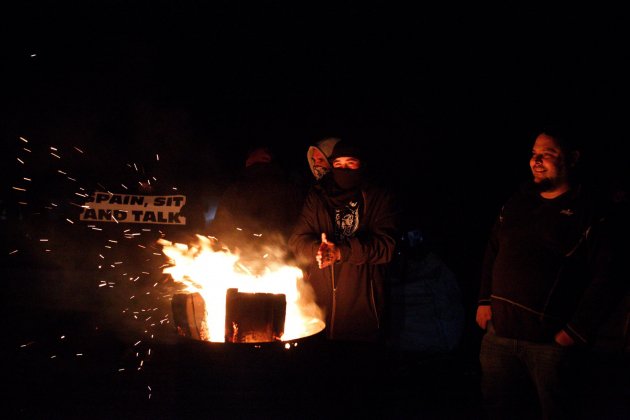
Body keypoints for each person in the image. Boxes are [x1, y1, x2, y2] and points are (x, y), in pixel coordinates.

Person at [475, 127, 625, 419]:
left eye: (548, 153)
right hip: (499, 336)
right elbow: (493, 250)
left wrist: (575, 331)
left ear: (572, 159)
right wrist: (484, 301)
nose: (537, 160)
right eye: (533, 154)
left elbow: (608, 277)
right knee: (499, 409)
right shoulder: (517, 203)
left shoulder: (589, 213)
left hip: (550, 345)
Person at [288, 139, 400, 343]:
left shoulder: (378, 196)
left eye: (351, 163)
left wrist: (342, 252)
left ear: (362, 164)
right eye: (338, 164)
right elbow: (296, 241)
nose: (344, 169)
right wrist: (317, 250)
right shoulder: (319, 196)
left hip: (364, 307)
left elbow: (387, 247)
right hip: (319, 308)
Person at [209, 145, 303, 272]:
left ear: (249, 161)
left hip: (240, 264)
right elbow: (299, 229)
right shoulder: (291, 190)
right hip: (280, 266)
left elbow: (219, 227)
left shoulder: (236, 189)